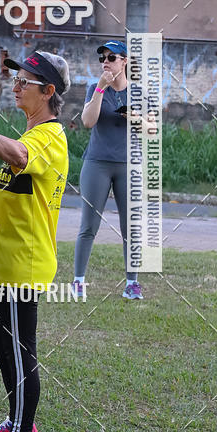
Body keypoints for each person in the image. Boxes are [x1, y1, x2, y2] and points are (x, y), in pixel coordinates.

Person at [0, 50, 69, 432]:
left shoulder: (48, 137)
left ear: (48, 92)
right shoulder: (31, 134)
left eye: (24, 82)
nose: (16, 86)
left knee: (18, 347)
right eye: (15, 80)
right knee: (1, 340)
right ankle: (17, 421)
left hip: (23, 262)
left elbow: (20, 157)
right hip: (8, 261)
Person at [72, 39, 142, 301]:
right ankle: (78, 281)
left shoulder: (138, 93)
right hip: (97, 164)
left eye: (112, 58)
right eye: (103, 58)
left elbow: (151, 130)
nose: (106, 62)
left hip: (128, 166)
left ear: (124, 61)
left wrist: (133, 117)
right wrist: (101, 89)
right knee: (88, 225)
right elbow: (88, 122)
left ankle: (132, 283)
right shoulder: (94, 87)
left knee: (130, 227)